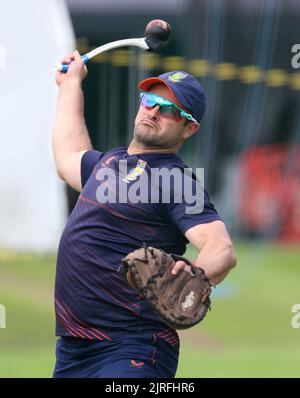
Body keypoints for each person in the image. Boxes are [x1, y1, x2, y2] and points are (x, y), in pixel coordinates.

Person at [52, 50, 237, 378]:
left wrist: (194, 276)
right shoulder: (109, 164)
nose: (152, 110)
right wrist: (70, 86)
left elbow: (221, 247)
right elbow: (69, 156)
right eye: (149, 99)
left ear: (189, 128)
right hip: (73, 348)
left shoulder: (177, 181)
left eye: (168, 109)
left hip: (131, 347)